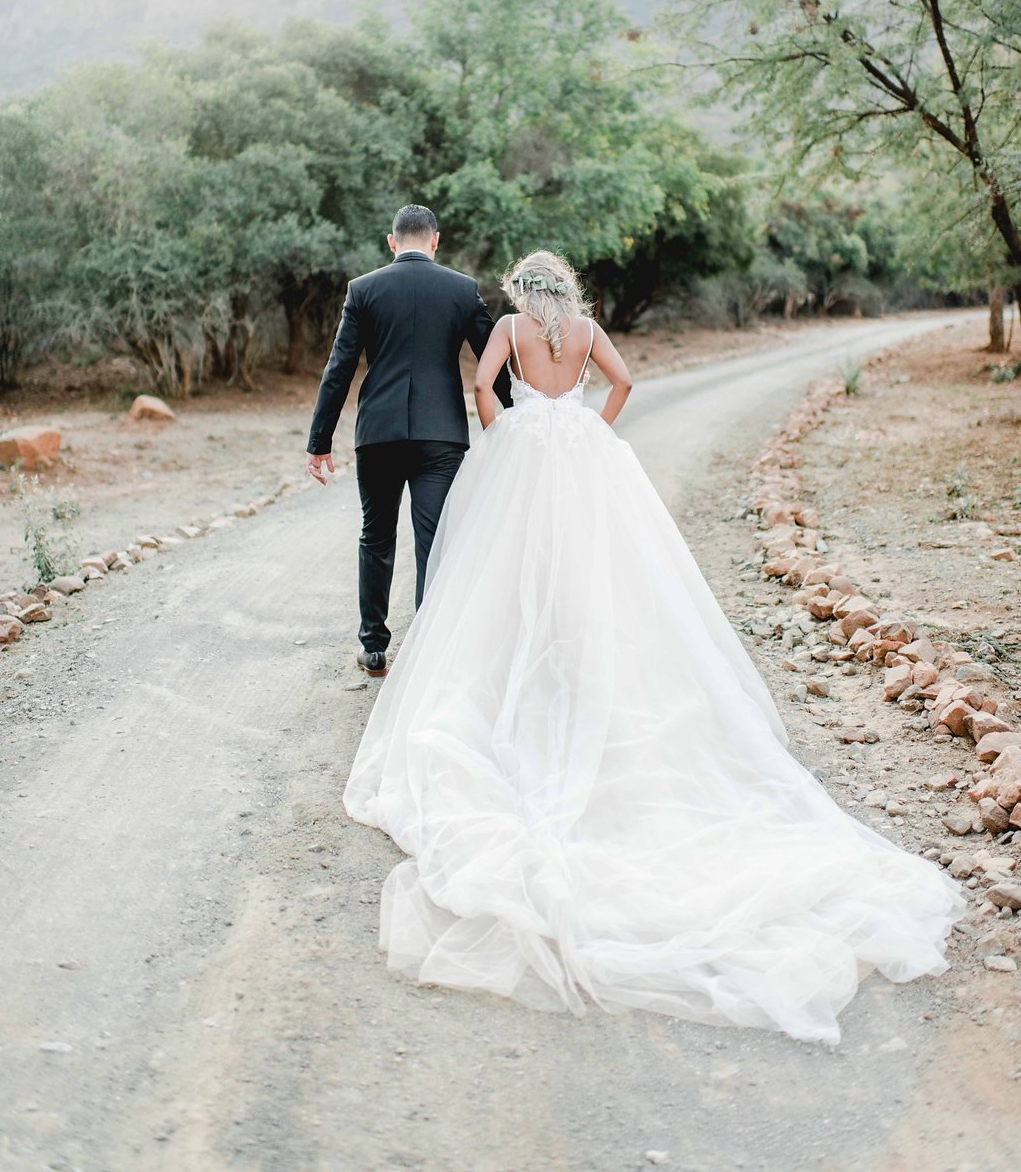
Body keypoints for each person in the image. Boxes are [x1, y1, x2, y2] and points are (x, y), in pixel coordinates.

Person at [342, 248, 965, 1044]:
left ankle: (522, 668)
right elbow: (626, 383)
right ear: (565, 291)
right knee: (598, 568)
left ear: (523, 293)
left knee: (510, 568)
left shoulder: (507, 328)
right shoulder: (591, 328)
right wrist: (585, 423)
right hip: (580, 451)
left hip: (528, 453)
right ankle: (580, 660)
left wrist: (510, 428)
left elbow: (479, 386)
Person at [305, 204, 512, 676]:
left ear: (392, 241)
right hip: (440, 435)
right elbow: (493, 364)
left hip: (377, 433)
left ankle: (374, 646)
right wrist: (525, 413)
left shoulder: (364, 289)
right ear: (435, 240)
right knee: (434, 539)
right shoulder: (461, 289)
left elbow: (338, 370)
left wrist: (319, 441)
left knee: (375, 536)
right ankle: (428, 647)